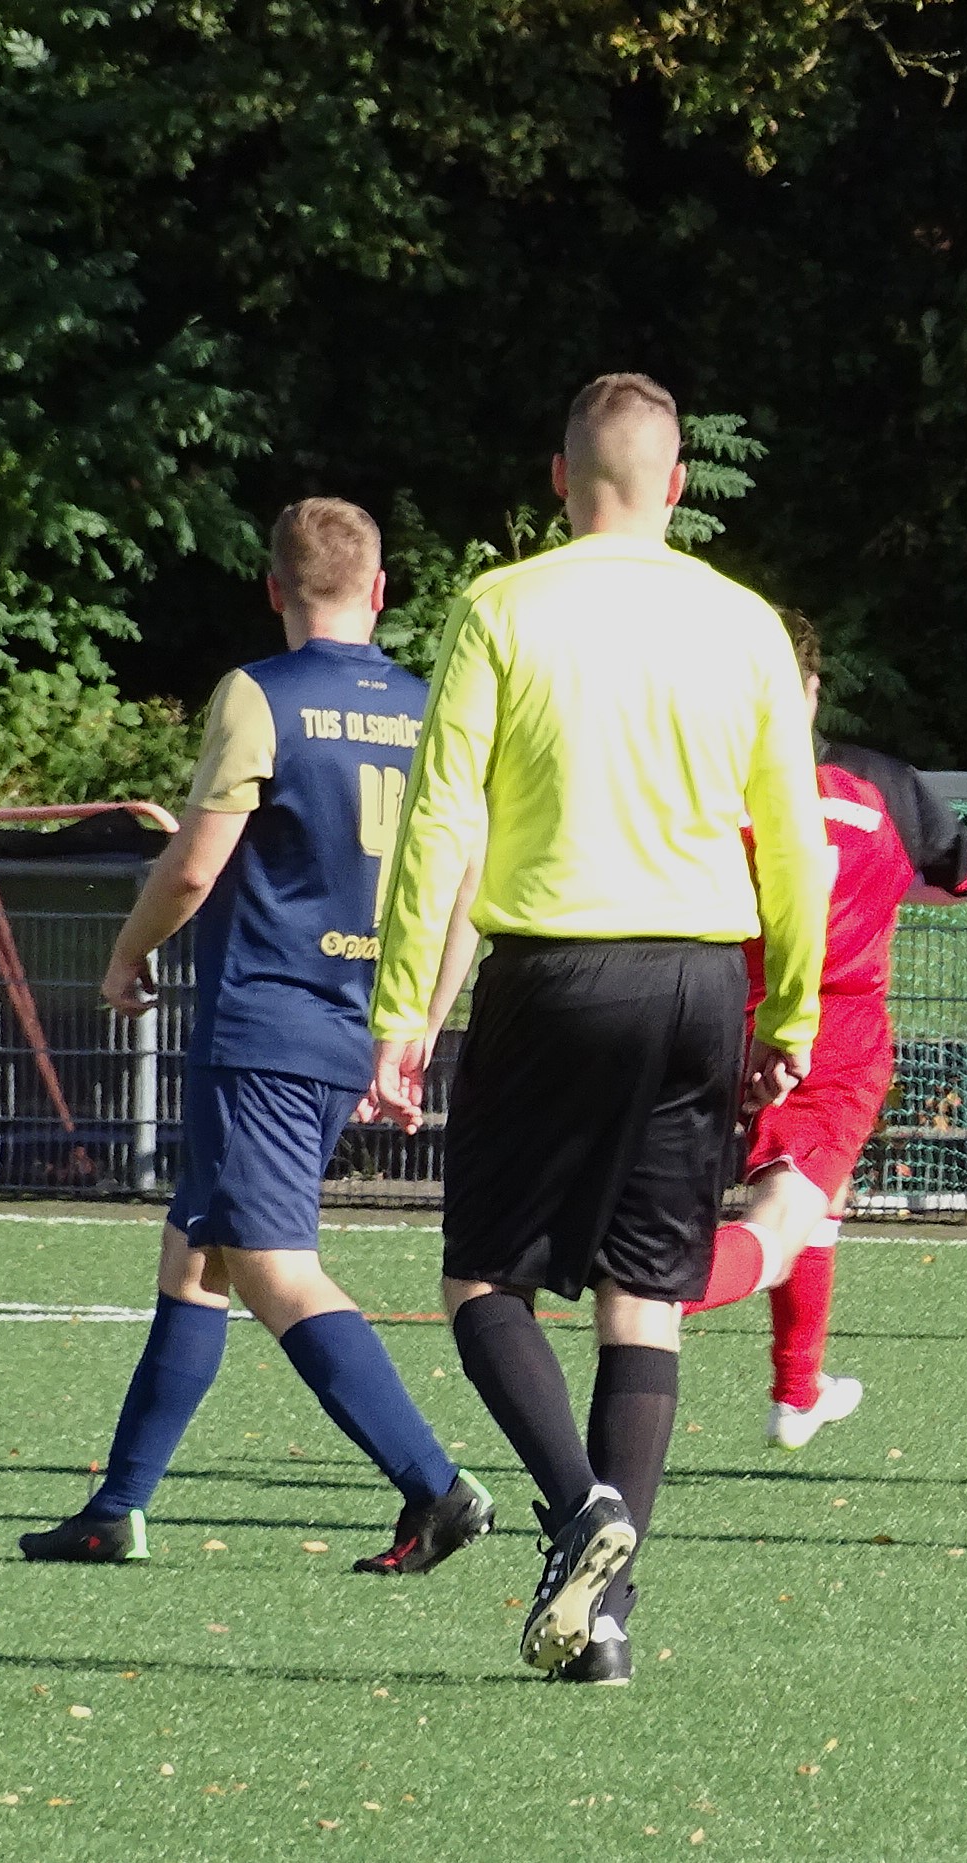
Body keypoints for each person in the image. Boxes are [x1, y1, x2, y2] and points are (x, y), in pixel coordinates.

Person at [366, 374, 829, 1684]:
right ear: (677, 485)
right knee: (647, 1297)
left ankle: (582, 1512)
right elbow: (794, 837)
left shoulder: (502, 605)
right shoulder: (743, 622)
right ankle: (605, 1627)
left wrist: (402, 1008)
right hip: (701, 983)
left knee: (483, 1280)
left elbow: (441, 818)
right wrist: (789, 1005)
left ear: (561, 480)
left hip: (558, 969)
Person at [20, 499, 495, 1571]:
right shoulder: (429, 708)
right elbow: (467, 883)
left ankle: (435, 1486)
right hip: (354, 1019)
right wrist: (421, 1021)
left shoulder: (260, 693)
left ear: (274, 588)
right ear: (380, 592)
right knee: (198, 1253)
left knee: (275, 1264)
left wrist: (126, 952)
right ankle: (117, 1507)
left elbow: (195, 865)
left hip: (264, 1022)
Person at [677, 613, 967, 1448]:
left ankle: (797, 1387)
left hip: (696, 1017)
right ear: (811, 691)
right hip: (829, 1036)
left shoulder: (694, 785)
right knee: (775, 1227)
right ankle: (654, 1290)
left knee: (809, 1196)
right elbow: (964, 875)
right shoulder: (881, 782)